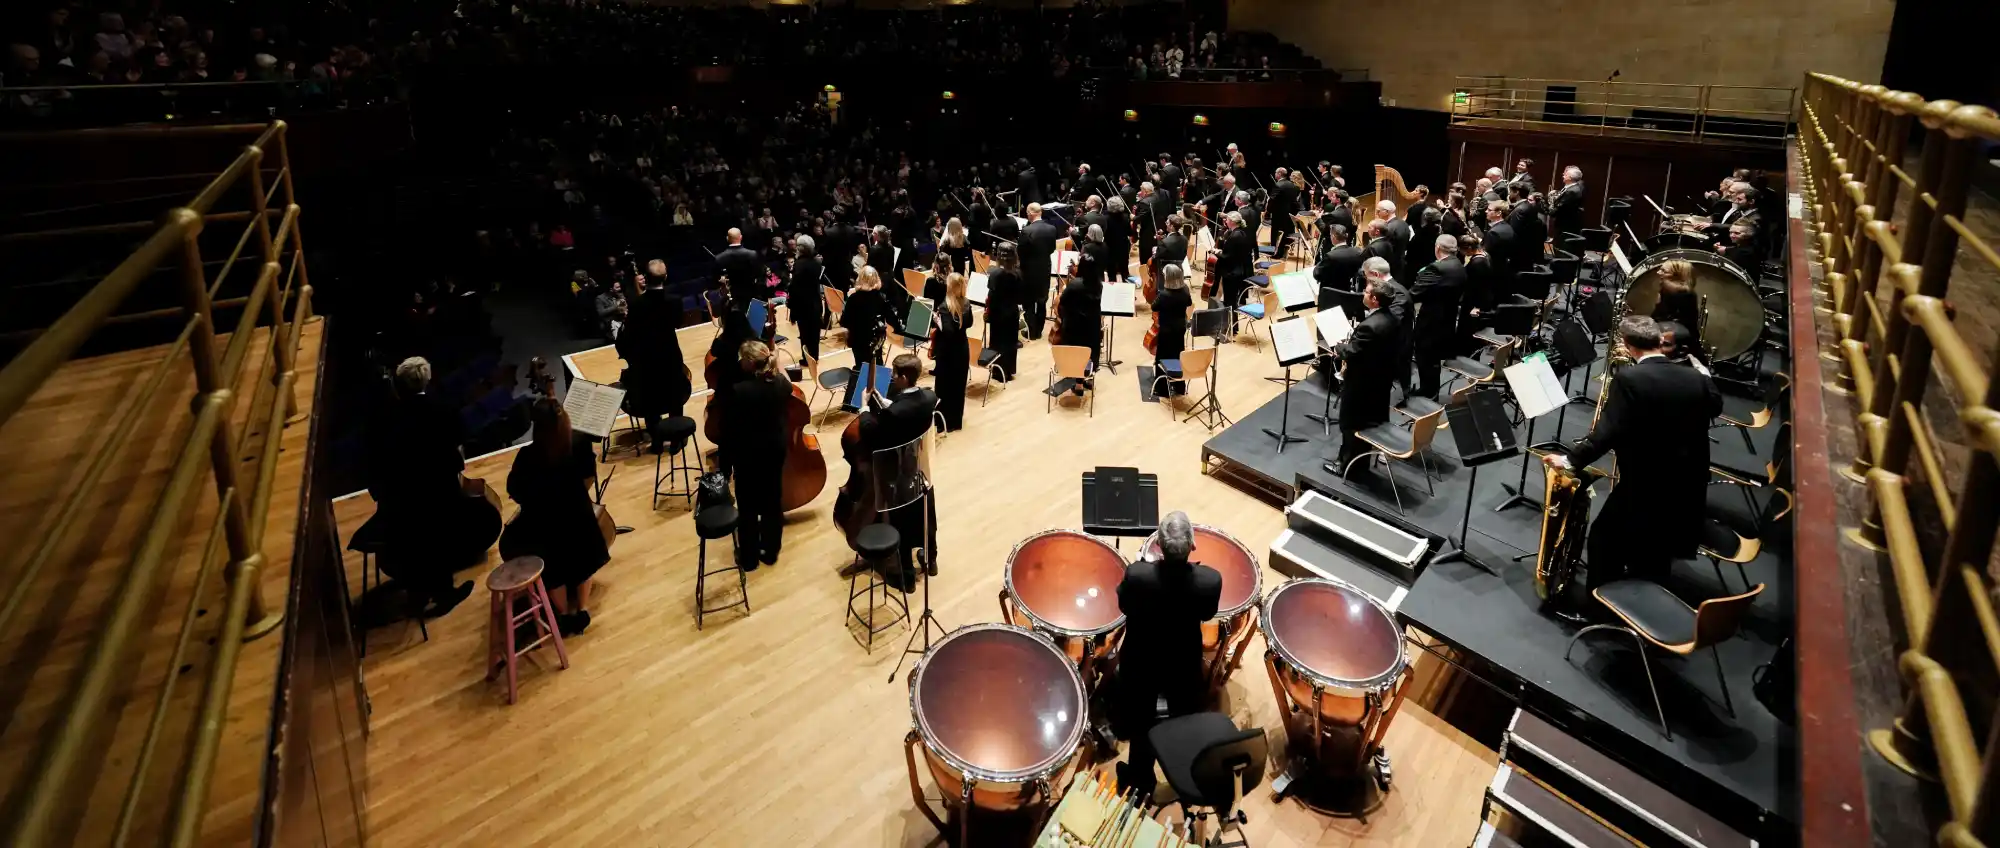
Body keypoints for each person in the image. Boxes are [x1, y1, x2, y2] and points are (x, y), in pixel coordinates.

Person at [1545, 316, 1722, 588]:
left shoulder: (1629, 378)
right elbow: (1714, 407)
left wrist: (1570, 460)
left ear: (1628, 345)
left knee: (1603, 541)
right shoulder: (1696, 377)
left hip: (1645, 482)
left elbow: (1607, 432)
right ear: (1658, 341)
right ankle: (1648, 594)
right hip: (1687, 484)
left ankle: (1600, 600)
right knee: (1657, 549)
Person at [1113, 510, 1223, 793]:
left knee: (1141, 725)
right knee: (1181, 720)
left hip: (1141, 664)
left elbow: (1124, 606)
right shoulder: (1210, 581)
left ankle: (1139, 779)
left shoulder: (1137, 575)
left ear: (1159, 545)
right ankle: (1183, 776)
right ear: (1193, 546)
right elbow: (1207, 613)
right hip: (1182, 667)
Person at [362, 358, 481, 616]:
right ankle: (444, 595)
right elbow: (460, 438)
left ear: (400, 386)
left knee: (416, 539)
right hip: (439, 490)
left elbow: (377, 457)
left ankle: (418, 591)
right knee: (441, 537)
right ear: (427, 380)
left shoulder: (388, 416)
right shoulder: (442, 409)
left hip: (403, 497)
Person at [501, 396, 609, 635]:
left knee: (548, 556)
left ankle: (563, 613)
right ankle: (581, 609)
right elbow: (588, 479)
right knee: (585, 549)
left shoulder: (527, 455)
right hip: (577, 519)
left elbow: (515, 491)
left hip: (543, 525)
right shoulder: (578, 445)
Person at [856, 354, 940, 590]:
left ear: (903, 377)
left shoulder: (894, 414)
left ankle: (907, 578)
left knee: (901, 522)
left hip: (899, 473)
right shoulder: (929, 397)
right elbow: (904, 411)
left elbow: (872, 432)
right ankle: (931, 560)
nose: (891, 377)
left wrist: (864, 408)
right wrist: (883, 401)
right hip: (920, 470)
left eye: (894, 374)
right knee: (926, 517)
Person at [721, 340, 792, 570]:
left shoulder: (740, 391)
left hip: (749, 455)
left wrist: (725, 465)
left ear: (750, 363)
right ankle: (771, 551)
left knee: (748, 506)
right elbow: (787, 386)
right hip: (775, 450)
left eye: (742, 359)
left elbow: (729, 431)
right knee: (773, 500)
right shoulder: (781, 384)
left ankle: (749, 558)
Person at [1325, 270, 1407, 472]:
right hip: (1381, 380)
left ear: (1374, 299)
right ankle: (1359, 465)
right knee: (1367, 424)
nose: (1363, 293)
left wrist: (1339, 347)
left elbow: (1352, 352)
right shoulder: (1393, 318)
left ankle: (1346, 468)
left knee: (1350, 424)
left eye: (1366, 291)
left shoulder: (1370, 326)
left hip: (1361, 384)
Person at [618, 274, 694, 452]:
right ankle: (676, 441)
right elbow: (678, 323)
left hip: (645, 360)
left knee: (650, 401)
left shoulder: (636, 303)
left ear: (647, 278)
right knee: (675, 397)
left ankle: (657, 443)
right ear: (665, 276)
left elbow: (628, 335)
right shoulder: (674, 300)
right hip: (670, 357)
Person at [1410, 235, 1467, 400]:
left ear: (1437, 248)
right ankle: (1432, 389)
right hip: (1448, 317)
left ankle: (1428, 391)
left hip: (1431, 319)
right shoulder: (1458, 264)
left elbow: (1415, 293)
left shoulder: (1436, 268)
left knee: (1424, 355)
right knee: (1433, 358)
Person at [930, 273, 973, 431]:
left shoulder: (944, 306)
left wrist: (937, 321)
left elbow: (948, 332)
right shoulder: (966, 303)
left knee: (943, 387)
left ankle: (942, 422)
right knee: (958, 387)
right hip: (962, 349)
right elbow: (969, 323)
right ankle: (955, 422)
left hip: (947, 352)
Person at [1060, 238, 1106, 372]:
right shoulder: (1098, 284)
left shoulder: (1074, 285)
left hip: (1075, 327)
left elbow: (1063, 300)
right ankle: (1090, 368)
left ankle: (1073, 369)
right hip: (1092, 326)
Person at [1019, 203, 1061, 340]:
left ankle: (1032, 331)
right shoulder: (1051, 229)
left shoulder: (1026, 230)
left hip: (1029, 270)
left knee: (1029, 301)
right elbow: (1052, 249)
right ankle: (1039, 330)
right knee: (1042, 300)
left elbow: (1021, 253)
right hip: (1044, 268)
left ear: (1031, 213)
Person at [1152, 263, 1194, 395]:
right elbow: (1189, 302)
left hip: (1166, 331)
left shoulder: (1164, 294)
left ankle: (1162, 389)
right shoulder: (1185, 290)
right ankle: (1179, 386)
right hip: (1180, 329)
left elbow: (1154, 306)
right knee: (1177, 355)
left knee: (1162, 357)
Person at [985, 243, 1025, 380]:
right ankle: (1008, 370)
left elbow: (991, 295)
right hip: (1012, 313)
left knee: (997, 342)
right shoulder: (1018, 274)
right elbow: (1020, 298)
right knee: (1010, 342)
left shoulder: (995, 274)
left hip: (997, 313)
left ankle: (998, 372)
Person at [1650, 259, 1704, 359]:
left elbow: (1664, 319)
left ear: (1676, 275)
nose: (1658, 272)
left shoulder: (1681, 294)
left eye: (1663, 271)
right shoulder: (1669, 290)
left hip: (1678, 343)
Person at [843, 266, 894, 366]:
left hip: (857, 340)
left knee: (860, 365)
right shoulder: (881, 297)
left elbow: (845, 321)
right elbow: (890, 317)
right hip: (875, 340)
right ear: (876, 279)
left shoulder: (853, 298)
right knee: (877, 366)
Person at [1314, 223, 1366, 315]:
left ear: (1333, 237)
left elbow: (1318, 274)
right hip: (1350, 294)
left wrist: (1318, 265)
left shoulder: (1331, 256)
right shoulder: (1357, 251)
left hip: (1330, 296)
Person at [792, 235, 827, 364]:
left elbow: (795, 287)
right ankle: (814, 356)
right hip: (815, 301)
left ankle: (807, 359)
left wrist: (792, 308)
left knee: (805, 333)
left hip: (803, 304)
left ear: (801, 248)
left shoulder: (799, 264)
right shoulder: (817, 263)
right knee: (814, 333)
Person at [1213, 211, 1256, 314]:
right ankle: (1232, 322)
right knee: (1232, 300)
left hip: (1231, 273)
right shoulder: (1241, 232)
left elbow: (1227, 257)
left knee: (1230, 301)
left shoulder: (1234, 236)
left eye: (1227, 219)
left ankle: (1231, 322)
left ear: (1232, 221)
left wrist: (1217, 253)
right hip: (1238, 270)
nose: (1225, 221)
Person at [716, 227, 766, 310]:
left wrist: (723, 279)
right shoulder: (753, 254)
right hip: (752, 294)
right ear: (741, 237)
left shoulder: (719, 258)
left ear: (727, 238)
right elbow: (760, 273)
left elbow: (716, 279)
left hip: (732, 296)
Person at [1268, 167, 1300, 254]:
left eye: (1276, 173)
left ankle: (1274, 252)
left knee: (1275, 234)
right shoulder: (1292, 185)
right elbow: (1294, 202)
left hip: (1278, 214)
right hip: (1289, 214)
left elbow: (1272, 200)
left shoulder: (1278, 185)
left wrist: (1268, 212)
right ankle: (1283, 252)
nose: (1275, 174)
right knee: (1285, 234)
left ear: (1279, 174)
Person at [1550, 166, 1587, 241]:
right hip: (1565, 222)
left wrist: (1550, 209)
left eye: (1565, 175)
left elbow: (1562, 207)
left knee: (1560, 243)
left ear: (1570, 178)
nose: (1563, 176)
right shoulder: (1570, 188)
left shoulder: (1572, 191)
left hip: (1565, 224)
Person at [1103, 196, 1132, 282]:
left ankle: (1113, 288)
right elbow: (1129, 232)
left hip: (1110, 247)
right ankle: (1126, 287)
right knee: (1124, 270)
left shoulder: (1105, 218)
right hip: (1123, 246)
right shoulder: (1125, 217)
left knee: (1111, 272)